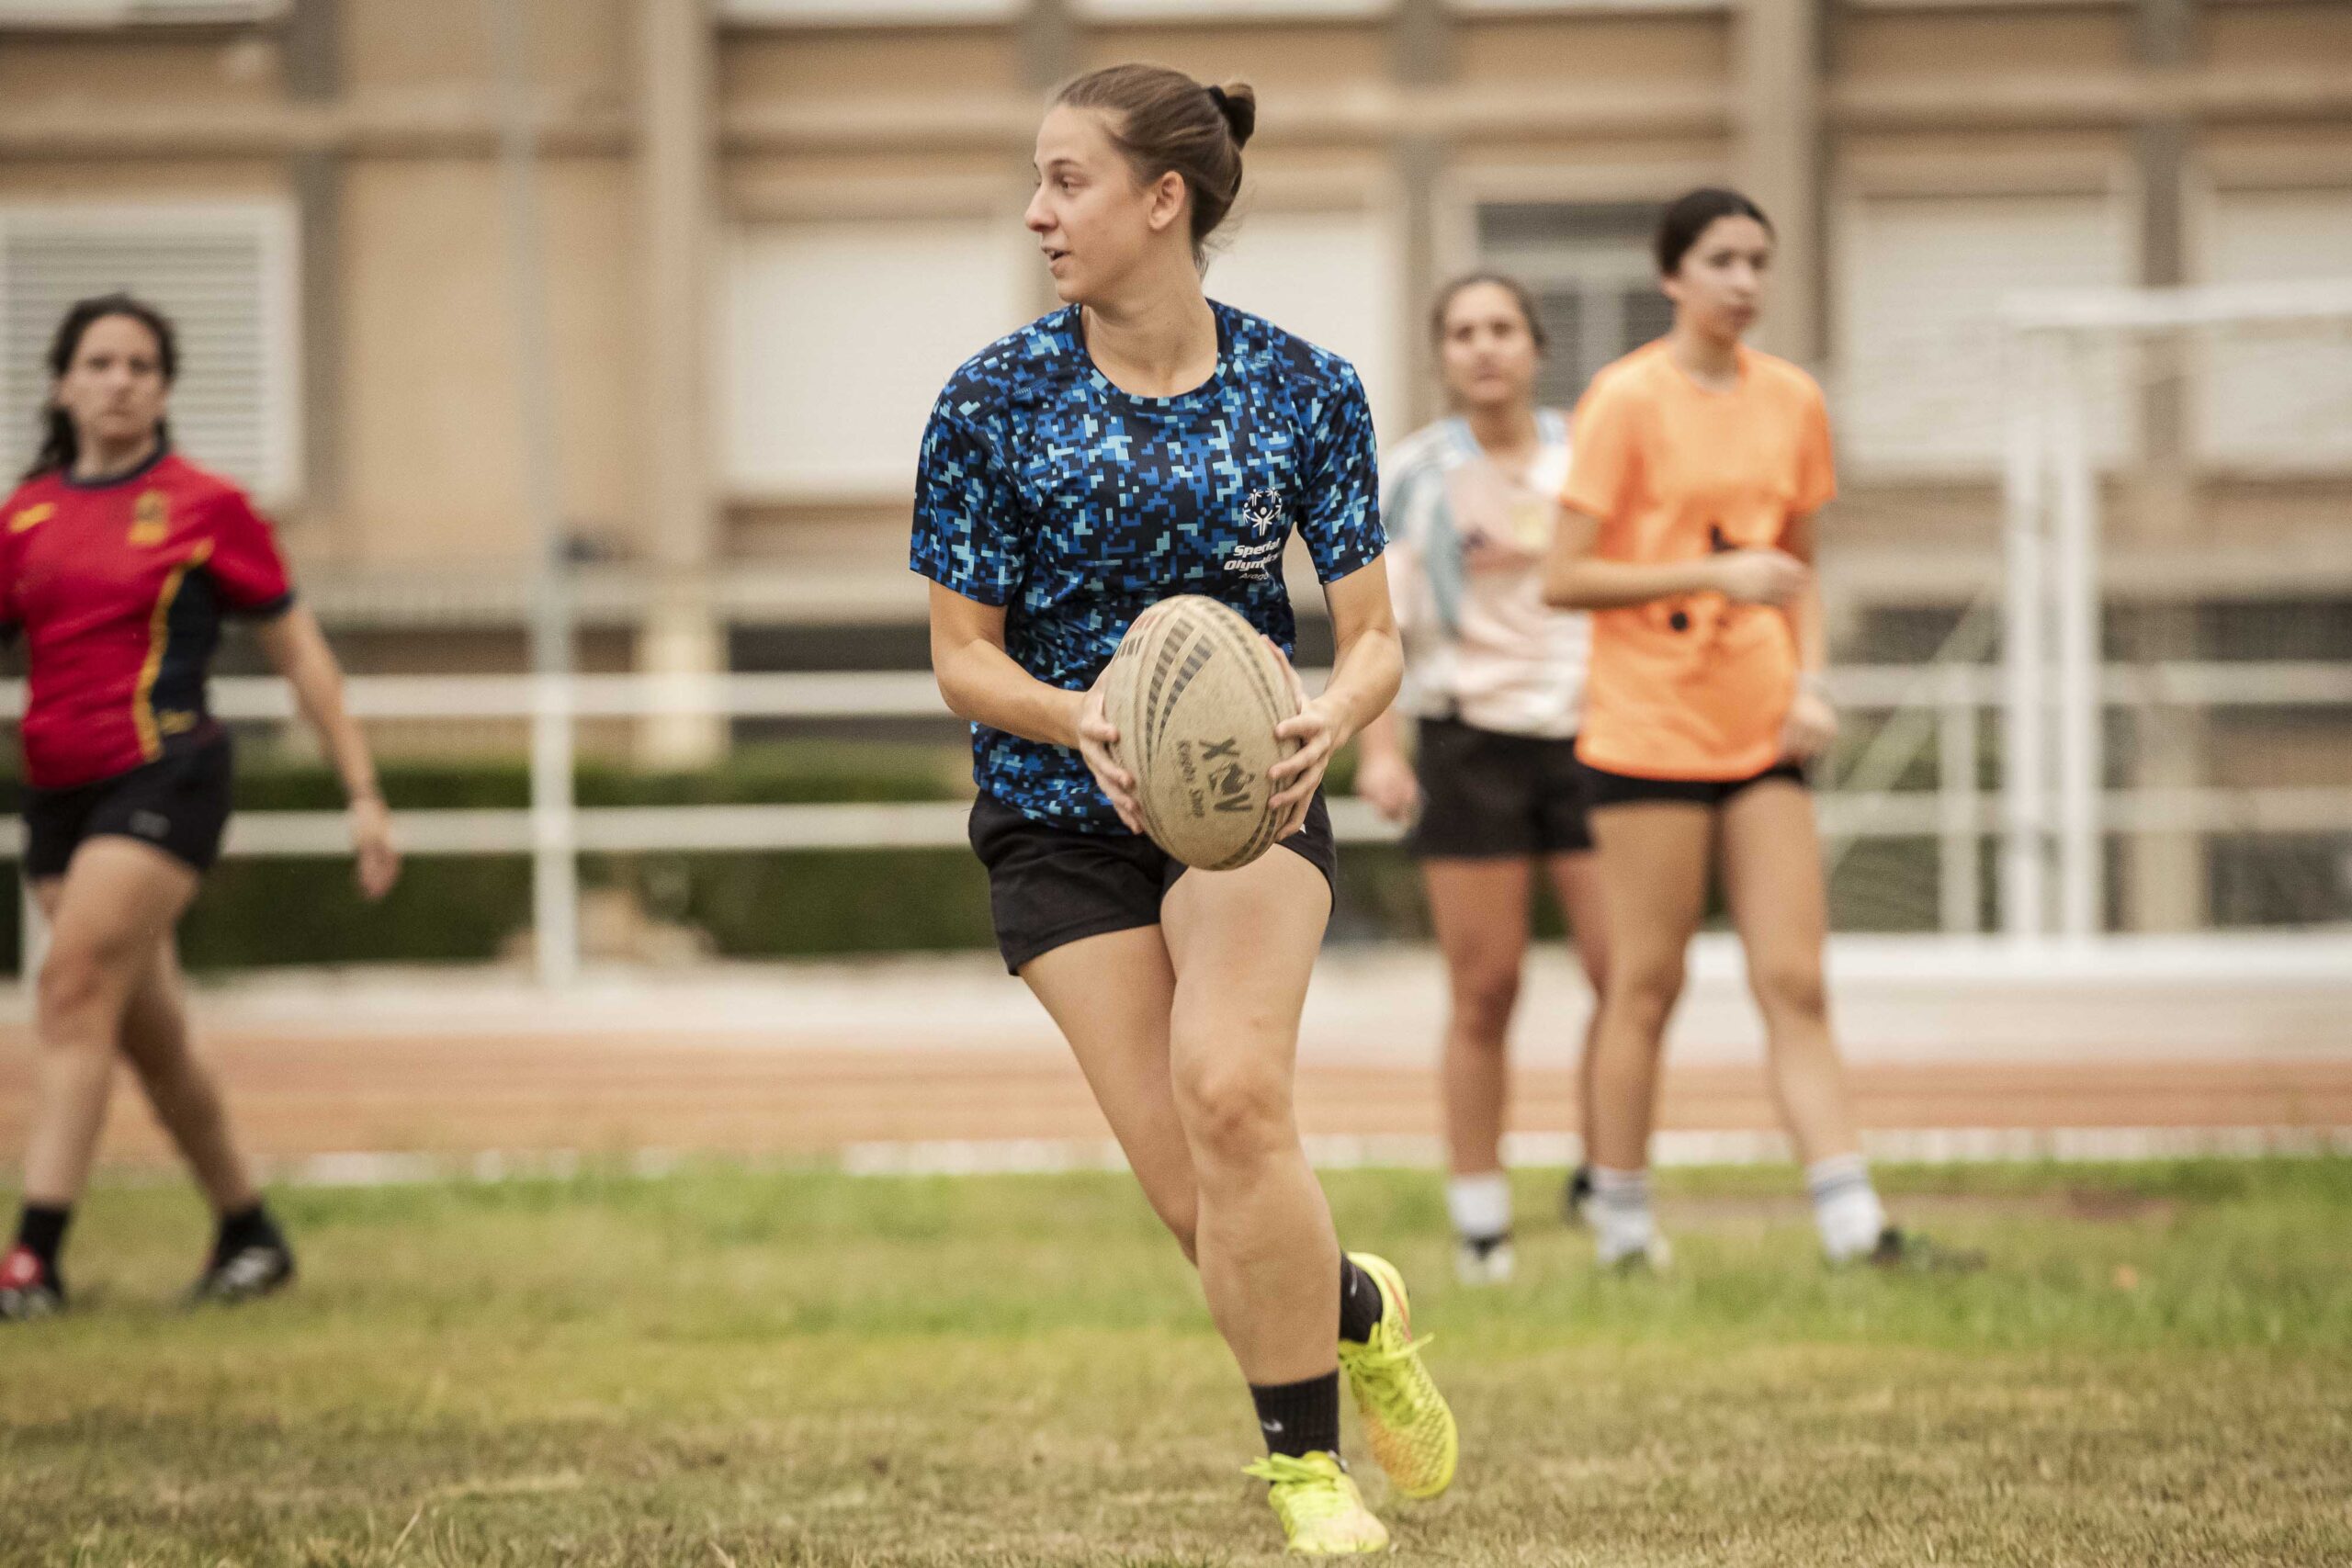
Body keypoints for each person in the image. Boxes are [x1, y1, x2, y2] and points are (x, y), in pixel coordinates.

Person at [914, 64, 1454, 1555]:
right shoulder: (993, 401)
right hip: (1052, 809)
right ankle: (1356, 1300)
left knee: (1234, 1097)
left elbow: (1374, 638)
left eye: (1067, 180)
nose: (1038, 212)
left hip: (1245, 795)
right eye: (1036, 181)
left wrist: (1328, 722)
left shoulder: (1304, 385)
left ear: (1166, 200)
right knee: (1195, 1197)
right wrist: (1073, 713)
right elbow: (964, 656)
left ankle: (1305, 1473)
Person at [1544, 190, 1976, 1272]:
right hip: (1645, 729)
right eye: (1722, 260)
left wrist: (1811, 680)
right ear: (1672, 276)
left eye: (1758, 262)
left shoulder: (1792, 400)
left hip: (1761, 724)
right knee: (1646, 983)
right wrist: (1710, 572)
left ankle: (1852, 1225)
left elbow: (1803, 569)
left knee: (1796, 979)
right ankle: (1623, 1229)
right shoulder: (1622, 399)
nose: (1744, 281)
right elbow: (1562, 576)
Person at [0, 294, 400, 1322]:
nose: (120, 379)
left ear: (165, 388)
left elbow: (300, 653)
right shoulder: (26, 516)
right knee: (148, 1032)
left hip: (166, 775)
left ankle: (32, 1261)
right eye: (100, 362)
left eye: (141, 364)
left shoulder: (205, 507)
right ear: (63, 383)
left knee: (71, 984)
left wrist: (362, 792)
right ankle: (248, 1230)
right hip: (55, 791)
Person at [1353, 273, 1606, 1286]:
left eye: (1501, 328)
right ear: (1442, 354)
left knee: (1622, 975)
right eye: (1463, 332)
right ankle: (1481, 1221)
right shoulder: (1415, 473)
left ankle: (1608, 1178)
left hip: (1595, 739)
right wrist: (1378, 750)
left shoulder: (1587, 457)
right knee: (1485, 989)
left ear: (1534, 346)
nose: (1484, 347)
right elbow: (1382, 627)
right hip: (1468, 743)